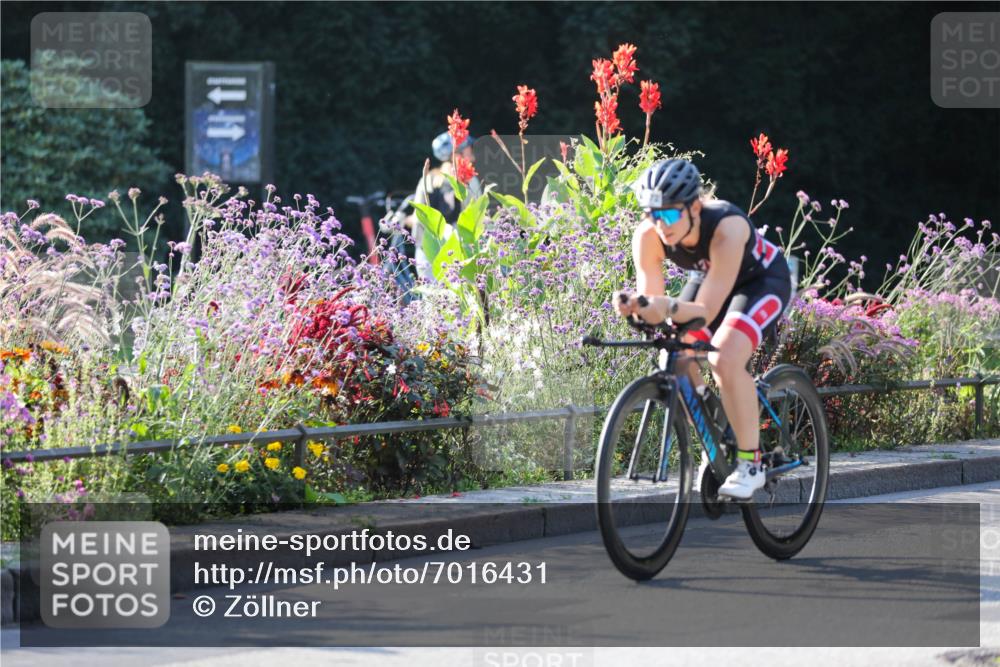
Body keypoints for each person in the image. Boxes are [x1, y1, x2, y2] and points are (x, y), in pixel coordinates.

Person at [614, 158, 792, 500]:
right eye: (651, 214)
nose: (659, 224)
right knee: (674, 349)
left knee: (724, 356)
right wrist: (637, 307)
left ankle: (751, 464)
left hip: (760, 281)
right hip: (710, 279)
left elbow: (706, 310)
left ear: (695, 206)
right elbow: (656, 305)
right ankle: (713, 414)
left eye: (668, 214)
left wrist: (663, 306)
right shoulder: (648, 235)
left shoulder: (728, 226)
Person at [405, 131, 481, 281]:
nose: (472, 149)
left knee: (433, 300)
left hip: (427, 253)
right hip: (459, 252)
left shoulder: (428, 178)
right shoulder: (468, 180)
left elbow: (418, 217)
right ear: (459, 152)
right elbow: (477, 217)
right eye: (469, 147)